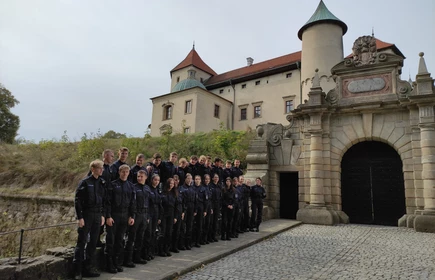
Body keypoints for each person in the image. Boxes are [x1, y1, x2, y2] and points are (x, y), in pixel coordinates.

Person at [73, 160, 106, 280]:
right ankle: (77, 271)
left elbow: (103, 200)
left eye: (102, 168)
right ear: (93, 169)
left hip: (97, 215)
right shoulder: (85, 182)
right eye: (99, 168)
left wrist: (102, 215)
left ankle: (88, 268)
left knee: (93, 243)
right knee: (81, 242)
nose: (102, 170)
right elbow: (77, 201)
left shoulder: (102, 182)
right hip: (86, 215)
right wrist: (80, 217)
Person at [105, 164, 136, 274]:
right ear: (119, 172)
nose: (124, 174)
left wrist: (132, 216)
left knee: (119, 241)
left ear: (128, 173)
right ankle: (109, 264)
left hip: (125, 215)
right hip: (114, 215)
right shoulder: (113, 185)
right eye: (123, 171)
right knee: (111, 241)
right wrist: (108, 216)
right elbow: (107, 202)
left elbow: (133, 202)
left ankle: (117, 262)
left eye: (126, 172)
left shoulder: (130, 186)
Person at [124, 170, 149, 266]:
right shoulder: (133, 187)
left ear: (146, 177)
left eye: (141, 176)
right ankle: (128, 259)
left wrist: (147, 216)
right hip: (136, 214)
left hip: (144, 214)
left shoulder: (147, 188)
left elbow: (148, 202)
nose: (139, 178)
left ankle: (137, 257)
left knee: (140, 237)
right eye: (138, 176)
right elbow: (131, 203)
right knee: (131, 237)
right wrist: (131, 216)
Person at [143, 174, 163, 261]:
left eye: (158, 180)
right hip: (149, 213)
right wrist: (147, 215)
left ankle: (151, 252)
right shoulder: (148, 189)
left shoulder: (158, 190)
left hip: (156, 213)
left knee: (153, 234)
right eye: (155, 180)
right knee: (148, 233)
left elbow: (159, 204)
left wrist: (159, 217)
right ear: (152, 180)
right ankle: (145, 253)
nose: (156, 182)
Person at [159, 178, 179, 257]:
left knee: (169, 233)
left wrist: (175, 217)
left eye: (172, 184)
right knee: (163, 233)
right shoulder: (163, 192)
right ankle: (161, 250)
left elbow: (176, 206)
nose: (171, 185)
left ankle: (166, 249)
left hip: (171, 214)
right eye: (170, 183)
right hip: (164, 214)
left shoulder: (174, 193)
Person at [179, 174, 197, 250]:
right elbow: (181, 201)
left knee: (190, 226)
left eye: (191, 178)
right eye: (188, 178)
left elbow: (196, 200)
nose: (189, 180)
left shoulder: (193, 188)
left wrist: (195, 210)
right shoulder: (182, 188)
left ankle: (188, 243)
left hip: (192, 208)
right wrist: (183, 210)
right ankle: (181, 244)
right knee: (183, 227)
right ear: (185, 179)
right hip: (185, 208)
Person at [193, 175, 207, 247]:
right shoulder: (192, 188)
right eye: (196, 179)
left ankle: (197, 241)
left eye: (198, 179)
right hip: (193, 208)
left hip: (201, 207)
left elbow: (205, 200)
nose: (197, 180)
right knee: (192, 225)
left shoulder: (203, 189)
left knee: (199, 225)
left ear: (200, 180)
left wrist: (205, 210)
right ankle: (191, 241)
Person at [171, 175, 184, 253]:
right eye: (174, 180)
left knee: (178, 230)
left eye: (176, 180)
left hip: (179, 211)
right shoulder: (170, 190)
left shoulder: (180, 189)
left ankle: (176, 246)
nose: (175, 181)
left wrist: (183, 212)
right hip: (172, 212)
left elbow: (182, 202)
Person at [209, 173, 222, 243]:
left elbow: (220, 197)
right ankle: (209, 237)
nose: (216, 178)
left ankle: (214, 236)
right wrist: (210, 207)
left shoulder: (219, 186)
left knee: (215, 222)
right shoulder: (210, 186)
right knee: (211, 221)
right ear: (213, 178)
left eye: (217, 177)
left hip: (217, 205)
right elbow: (210, 198)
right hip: (212, 205)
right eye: (215, 177)